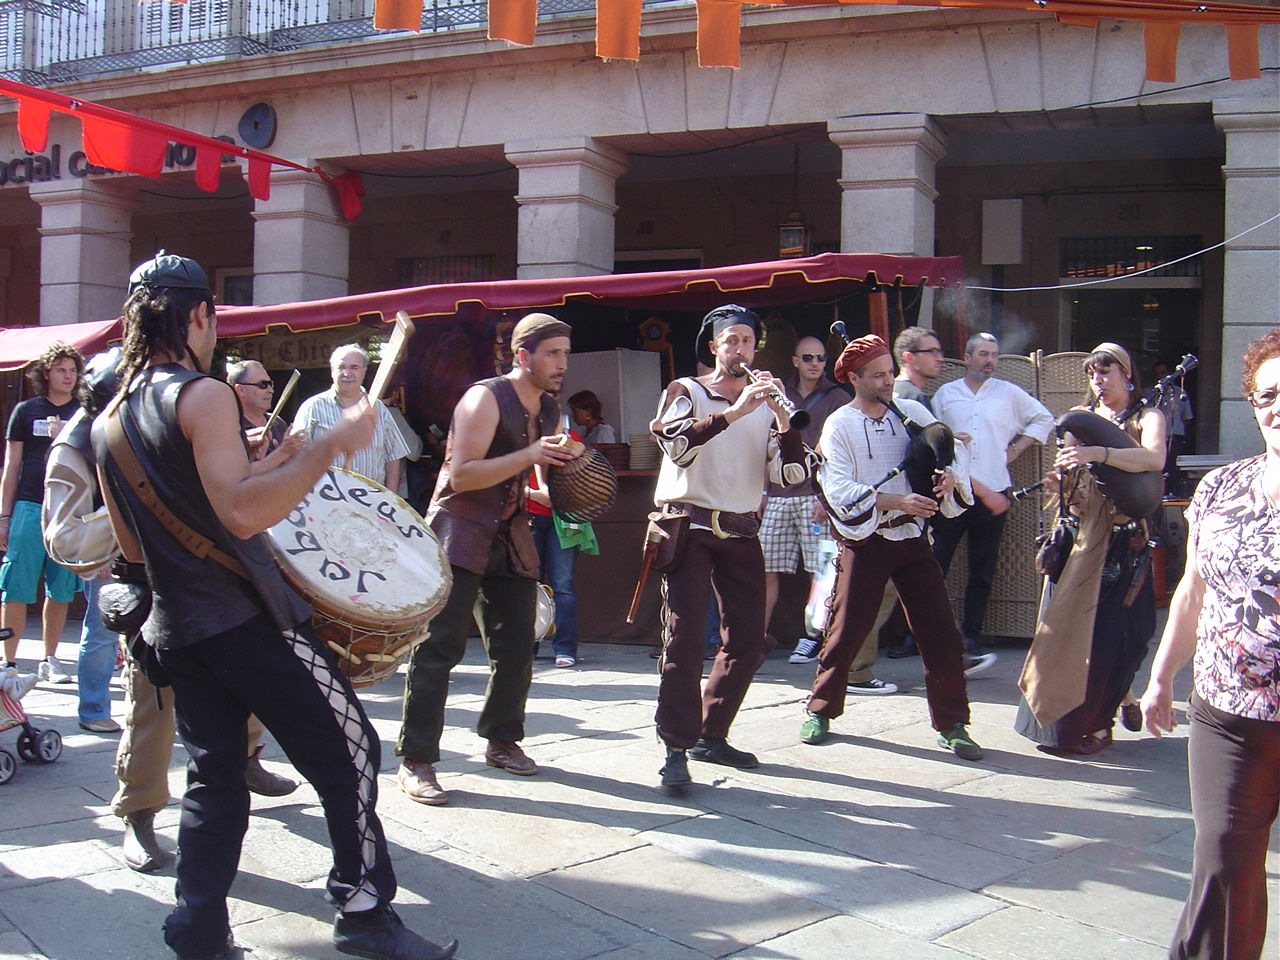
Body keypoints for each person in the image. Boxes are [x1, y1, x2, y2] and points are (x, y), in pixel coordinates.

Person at [92, 252, 458, 960]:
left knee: (213, 779)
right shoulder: (202, 395)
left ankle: (195, 930)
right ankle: (363, 914)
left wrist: (275, 457)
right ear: (199, 314)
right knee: (353, 751)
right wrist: (325, 448)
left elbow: (138, 549)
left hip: (179, 629)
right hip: (246, 617)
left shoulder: (111, 420)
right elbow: (238, 514)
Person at [396, 313, 576, 807]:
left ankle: (501, 740)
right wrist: (532, 454)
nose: (562, 363)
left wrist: (569, 480)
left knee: (519, 644)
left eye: (565, 352)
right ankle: (417, 760)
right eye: (552, 354)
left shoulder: (551, 408)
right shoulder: (484, 397)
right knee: (440, 648)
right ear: (523, 356)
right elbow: (462, 477)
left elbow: (533, 475)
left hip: (512, 531)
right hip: (461, 532)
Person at [1140, 329, 1279, 960]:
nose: (1279, 406)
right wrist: (1162, 677)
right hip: (1226, 714)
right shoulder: (1221, 488)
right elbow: (1194, 593)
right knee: (1224, 862)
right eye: (1268, 394)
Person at [649, 304, 817, 794]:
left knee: (747, 638)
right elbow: (675, 446)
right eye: (731, 341)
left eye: (747, 341)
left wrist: (786, 426)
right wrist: (735, 412)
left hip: (742, 529)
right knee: (683, 640)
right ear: (714, 347)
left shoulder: (767, 401)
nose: (739, 349)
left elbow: (790, 476)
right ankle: (675, 749)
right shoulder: (686, 391)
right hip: (689, 526)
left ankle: (712, 732)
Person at [798, 334, 982, 760]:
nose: (887, 380)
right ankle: (820, 710)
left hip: (913, 537)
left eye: (889, 372)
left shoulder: (912, 412)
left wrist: (949, 477)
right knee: (845, 631)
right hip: (867, 540)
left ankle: (953, 723)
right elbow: (836, 484)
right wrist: (894, 500)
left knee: (940, 633)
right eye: (877, 374)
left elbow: (945, 452)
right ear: (855, 378)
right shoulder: (840, 423)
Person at [1014, 343, 1164, 755]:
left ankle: (1122, 697)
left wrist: (1100, 452)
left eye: (1106, 372)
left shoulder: (1148, 417)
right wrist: (1059, 485)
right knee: (1078, 637)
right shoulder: (1084, 421)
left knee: (1130, 637)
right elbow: (1073, 482)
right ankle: (1087, 726)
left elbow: (1154, 459)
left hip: (1125, 542)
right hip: (1083, 542)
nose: (1098, 380)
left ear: (1127, 375)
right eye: (1093, 373)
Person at [932, 332, 1053, 663]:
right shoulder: (946, 394)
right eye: (983, 354)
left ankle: (972, 634)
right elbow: (932, 435)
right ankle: (921, 634)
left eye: (995, 355)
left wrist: (1016, 448)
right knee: (935, 564)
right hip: (953, 489)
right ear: (967, 357)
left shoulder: (1009, 394)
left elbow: (1044, 418)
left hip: (994, 489)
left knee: (983, 566)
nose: (989, 361)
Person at [759, 338, 849, 668]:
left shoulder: (838, 397)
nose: (815, 363)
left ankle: (814, 637)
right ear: (795, 360)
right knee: (767, 567)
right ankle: (757, 636)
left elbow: (840, 452)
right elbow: (765, 445)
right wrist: (763, 493)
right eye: (808, 358)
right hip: (779, 494)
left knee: (822, 569)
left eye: (822, 358)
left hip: (814, 495)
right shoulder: (779, 393)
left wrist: (827, 497)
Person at [0, 343, 84, 685]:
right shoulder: (26, 410)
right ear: (46, 373)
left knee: (61, 588)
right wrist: (4, 516)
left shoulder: (85, 411)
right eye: (62, 370)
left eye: (73, 371)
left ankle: (51, 658)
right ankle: (9, 661)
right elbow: (12, 465)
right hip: (29, 505)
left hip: (68, 509)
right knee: (16, 585)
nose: (69, 377)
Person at [883, 325, 946, 662]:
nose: (940, 358)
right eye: (931, 351)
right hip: (906, 505)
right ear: (909, 358)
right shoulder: (910, 398)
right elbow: (919, 457)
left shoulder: (917, 397)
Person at [293, 344, 411, 490]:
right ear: (332, 370)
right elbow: (297, 457)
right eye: (341, 367)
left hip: (371, 503)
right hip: (327, 503)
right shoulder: (312, 407)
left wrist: (390, 499)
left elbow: (393, 457)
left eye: (354, 367)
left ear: (364, 371)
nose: (347, 373)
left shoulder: (379, 409)